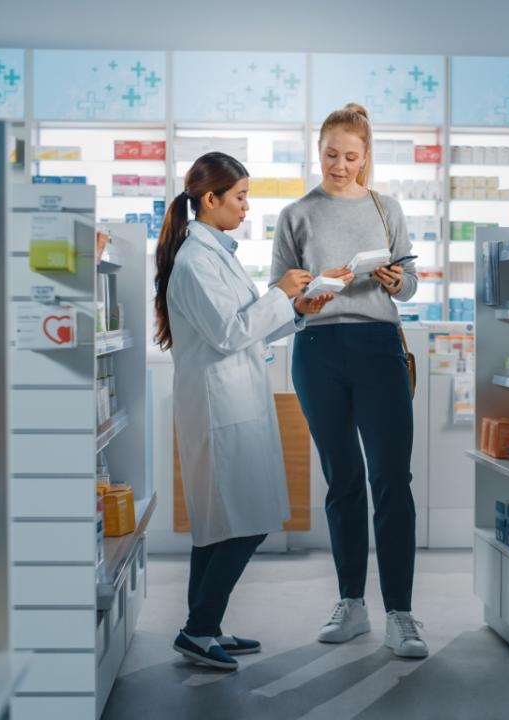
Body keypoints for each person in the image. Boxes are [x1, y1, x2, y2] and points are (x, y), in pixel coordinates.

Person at [155, 152, 334, 670]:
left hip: (235, 399)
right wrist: (280, 292)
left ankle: (203, 628)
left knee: (218, 522)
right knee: (244, 521)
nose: (246, 207)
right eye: (239, 197)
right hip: (218, 407)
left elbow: (244, 325)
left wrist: (295, 311)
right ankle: (199, 628)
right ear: (209, 200)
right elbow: (229, 332)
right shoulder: (194, 261)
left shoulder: (216, 253)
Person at [270, 103, 427, 659]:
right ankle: (352, 605)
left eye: (351, 156)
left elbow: (409, 283)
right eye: (331, 154)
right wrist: (305, 297)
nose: (340, 165)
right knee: (342, 479)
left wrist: (394, 278)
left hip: (379, 347)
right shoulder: (296, 215)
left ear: (366, 157)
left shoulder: (388, 209)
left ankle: (402, 614)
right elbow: (281, 295)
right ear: (319, 151)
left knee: (391, 480)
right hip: (317, 350)